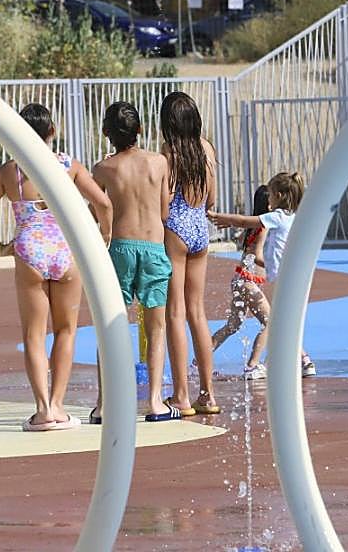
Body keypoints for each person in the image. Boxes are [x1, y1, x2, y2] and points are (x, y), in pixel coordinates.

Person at [0, 103, 113, 432]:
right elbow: (103, 203)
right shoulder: (68, 165)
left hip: (28, 250)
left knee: (34, 335)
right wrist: (102, 236)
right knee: (66, 330)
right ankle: (60, 406)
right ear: (52, 132)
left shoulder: (11, 171)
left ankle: (42, 409)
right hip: (66, 251)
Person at [91, 100, 179, 422]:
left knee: (111, 326)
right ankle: (155, 401)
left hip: (120, 249)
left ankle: (105, 402)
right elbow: (165, 211)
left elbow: (95, 209)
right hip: (154, 248)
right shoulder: (159, 162)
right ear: (140, 129)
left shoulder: (104, 168)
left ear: (106, 133)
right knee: (156, 328)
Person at [209, 171, 317, 380]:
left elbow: (242, 222)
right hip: (277, 279)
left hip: (259, 279)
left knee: (262, 323)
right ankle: (277, 362)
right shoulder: (291, 219)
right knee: (278, 322)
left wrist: (220, 217)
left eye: (271, 195)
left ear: (277, 195)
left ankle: (253, 364)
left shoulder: (273, 220)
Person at [160, 91, 220, 415]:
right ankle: (208, 394)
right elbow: (212, 199)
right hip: (200, 229)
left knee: (175, 312)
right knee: (198, 312)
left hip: (176, 231)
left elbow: (166, 202)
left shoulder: (169, 154)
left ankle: (181, 394)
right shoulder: (207, 148)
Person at [210, 184, 272, 378]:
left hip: (240, 278)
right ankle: (253, 365)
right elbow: (258, 255)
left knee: (233, 325)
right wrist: (276, 264)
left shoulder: (254, 225)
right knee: (271, 323)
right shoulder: (263, 227)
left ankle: (198, 363)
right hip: (247, 281)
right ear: (269, 205)